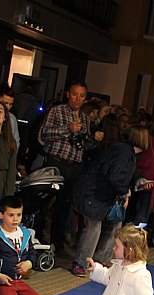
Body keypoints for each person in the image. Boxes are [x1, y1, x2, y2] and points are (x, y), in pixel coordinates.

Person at [71, 115, 149, 277]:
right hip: (93, 193)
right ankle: (81, 262)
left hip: (100, 193)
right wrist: (125, 192)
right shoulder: (124, 153)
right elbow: (115, 176)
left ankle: (100, 260)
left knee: (113, 224)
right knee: (94, 227)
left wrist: (136, 183)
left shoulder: (126, 152)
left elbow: (125, 174)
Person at [40, 81, 103, 254]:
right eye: (75, 94)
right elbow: (45, 133)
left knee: (64, 207)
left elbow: (85, 146)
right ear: (68, 94)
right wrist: (68, 128)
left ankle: (57, 243)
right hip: (56, 162)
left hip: (75, 166)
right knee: (44, 202)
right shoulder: (57, 111)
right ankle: (38, 236)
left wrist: (94, 139)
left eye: (82, 96)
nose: (78, 99)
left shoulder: (84, 117)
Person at [0, 85, 20, 151]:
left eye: (10, 104)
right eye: (5, 103)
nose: (8, 107)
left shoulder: (12, 119)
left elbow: (16, 141)